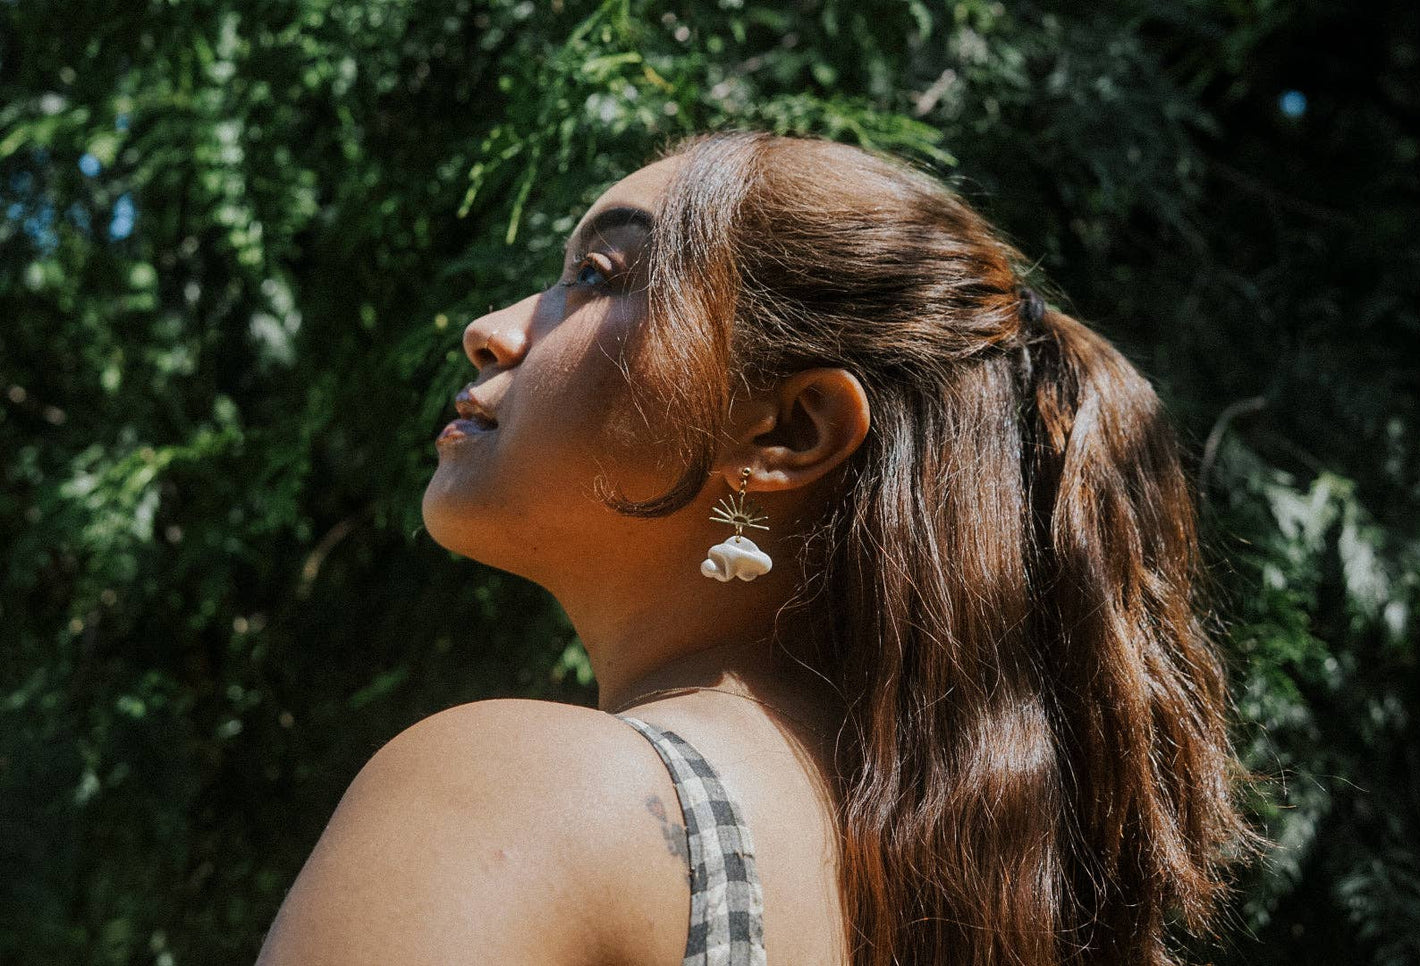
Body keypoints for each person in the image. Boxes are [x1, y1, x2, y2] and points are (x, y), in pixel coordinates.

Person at [257, 130, 1256, 966]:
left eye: (595, 277)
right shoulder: (972, 913)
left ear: (785, 432)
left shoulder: (524, 794)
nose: (490, 330)